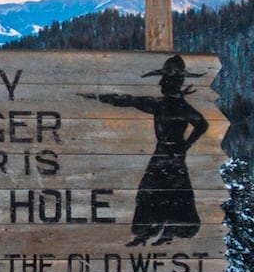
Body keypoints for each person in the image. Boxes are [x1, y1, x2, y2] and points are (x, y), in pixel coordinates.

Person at [81, 55, 209, 246]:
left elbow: (202, 125)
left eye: (165, 79)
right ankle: (161, 230)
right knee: (170, 191)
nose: (161, 83)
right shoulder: (174, 105)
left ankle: (157, 230)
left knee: (155, 190)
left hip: (168, 153)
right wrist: (186, 144)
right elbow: (132, 100)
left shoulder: (168, 105)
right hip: (168, 152)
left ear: (173, 82)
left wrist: (187, 144)